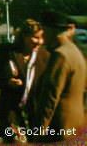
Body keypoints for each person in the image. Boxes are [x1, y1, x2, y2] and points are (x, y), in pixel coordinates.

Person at [0, 18, 50, 143]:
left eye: (42, 38)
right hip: (12, 112)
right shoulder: (6, 51)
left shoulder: (45, 55)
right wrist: (7, 82)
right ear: (24, 37)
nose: (39, 42)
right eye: (36, 38)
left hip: (35, 113)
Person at [31, 10, 86, 143]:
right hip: (76, 123)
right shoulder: (74, 51)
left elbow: (50, 97)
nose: (42, 34)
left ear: (52, 30)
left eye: (44, 29)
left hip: (59, 127)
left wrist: (38, 131)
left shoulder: (60, 55)